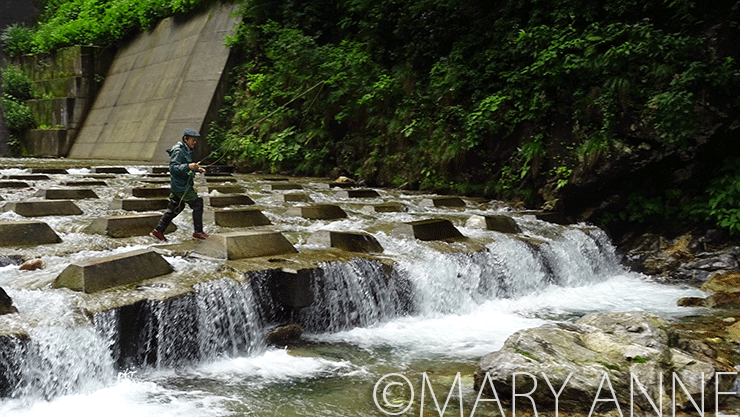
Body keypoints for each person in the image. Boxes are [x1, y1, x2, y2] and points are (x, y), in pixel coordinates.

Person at [150, 128, 209, 241]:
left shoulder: (187, 149)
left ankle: (158, 231)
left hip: (180, 185)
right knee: (197, 204)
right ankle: (198, 232)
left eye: (195, 140)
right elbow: (173, 168)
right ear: (185, 139)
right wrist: (188, 166)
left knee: (176, 207)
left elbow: (185, 165)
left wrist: (196, 169)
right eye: (193, 140)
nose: (194, 142)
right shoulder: (178, 151)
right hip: (181, 186)